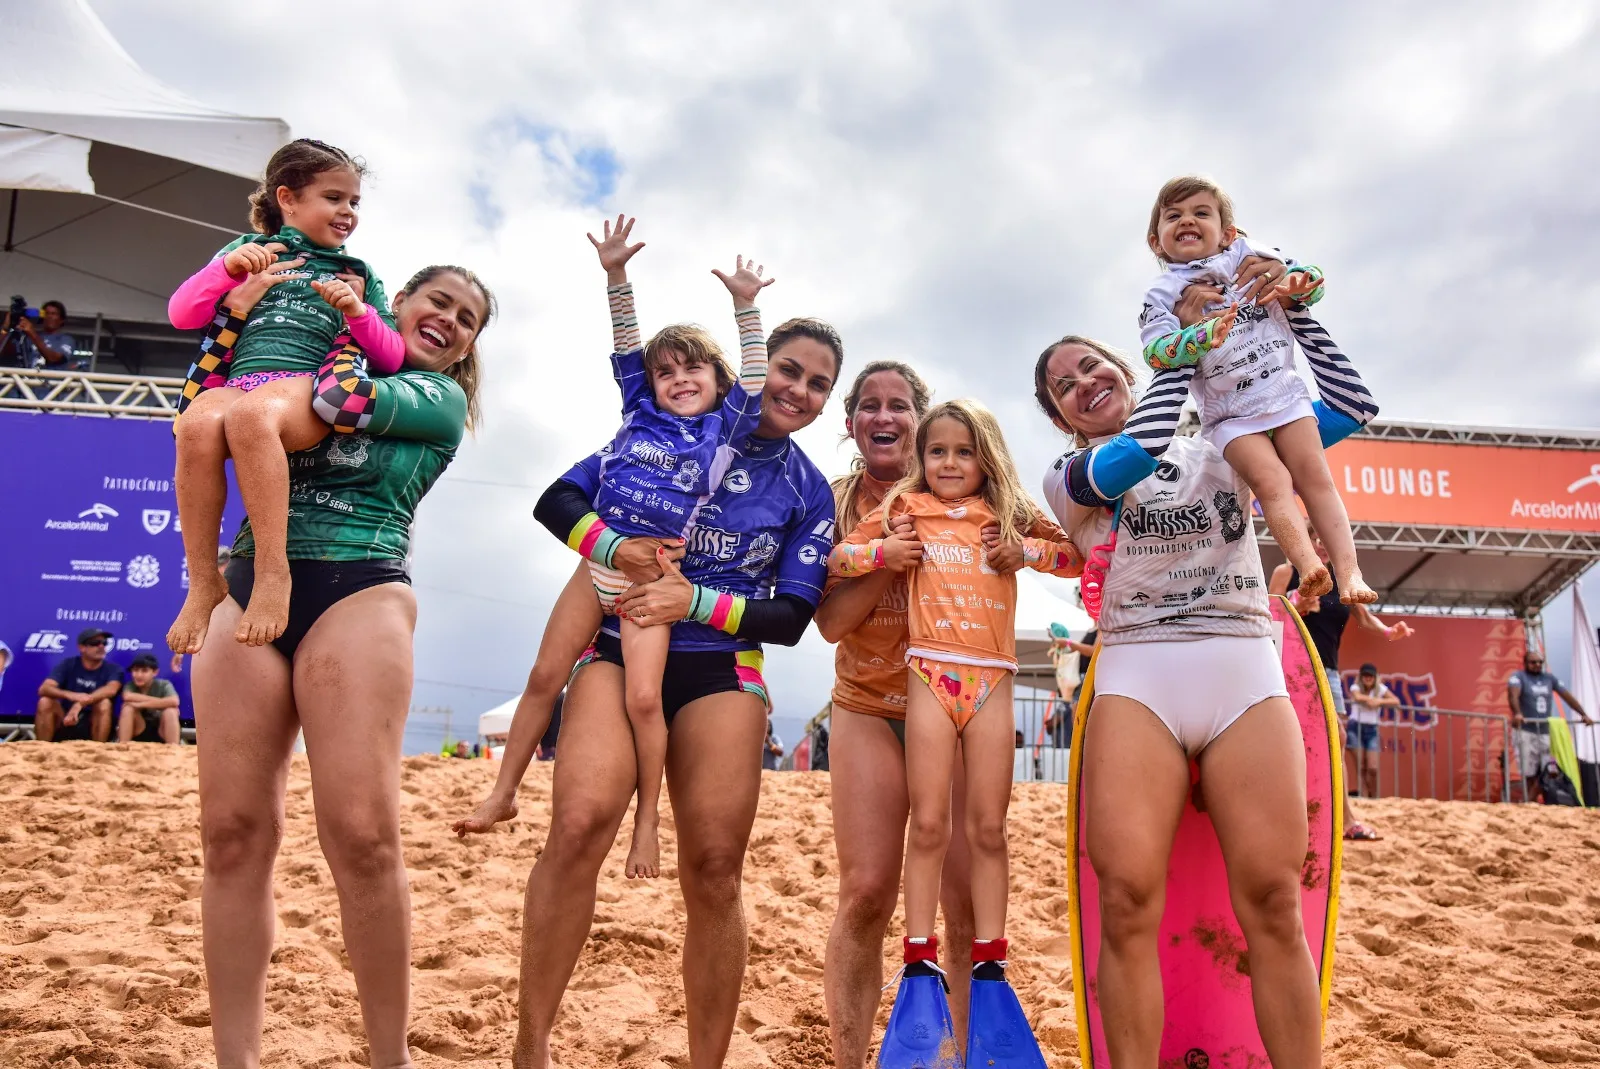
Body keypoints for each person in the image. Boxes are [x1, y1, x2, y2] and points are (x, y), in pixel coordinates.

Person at [1036, 287, 1378, 1065]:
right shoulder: (1072, 474)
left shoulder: (1232, 437)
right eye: (1065, 385)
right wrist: (1183, 351)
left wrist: (1294, 308)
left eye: (1092, 364)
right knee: (1123, 902)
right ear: (1060, 418)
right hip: (1137, 668)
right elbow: (1145, 443)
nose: (1084, 380)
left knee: (1272, 901)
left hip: (1240, 658)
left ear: (1122, 365)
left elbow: (1352, 406)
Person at [498, 315, 842, 1069]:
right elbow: (560, 501)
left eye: (819, 384)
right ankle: (532, 1043)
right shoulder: (662, 431)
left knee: (716, 867)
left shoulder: (809, 490)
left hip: (722, 666)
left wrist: (691, 602)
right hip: (618, 649)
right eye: (788, 369)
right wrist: (614, 547)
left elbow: (792, 617)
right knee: (582, 822)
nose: (798, 390)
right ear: (751, 372)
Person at [188, 259, 494, 1068]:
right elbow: (208, 402)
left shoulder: (440, 399)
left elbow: (335, 403)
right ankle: (234, 1059)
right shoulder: (324, 347)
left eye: (467, 319)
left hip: (359, 589)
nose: (451, 319)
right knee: (230, 833)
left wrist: (347, 328)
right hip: (249, 584)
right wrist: (246, 306)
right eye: (439, 300)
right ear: (403, 299)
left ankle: (388, 1056)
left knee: (360, 834)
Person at [831, 398, 1081, 1001]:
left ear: (986, 456)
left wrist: (1026, 552)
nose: (949, 462)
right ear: (921, 456)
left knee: (989, 827)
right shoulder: (906, 507)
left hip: (992, 677)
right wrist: (882, 555)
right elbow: (838, 559)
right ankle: (920, 954)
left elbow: (1073, 557)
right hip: (928, 675)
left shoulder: (1008, 512)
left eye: (964, 451)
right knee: (931, 823)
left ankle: (992, 958)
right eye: (937, 450)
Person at [557, 214, 774, 880]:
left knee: (643, 700)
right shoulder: (638, 410)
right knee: (546, 675)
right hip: (608, 565)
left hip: (660, 588)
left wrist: (746, 309)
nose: (679, 378)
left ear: (717, 377)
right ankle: (507, 786)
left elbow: (759, 378)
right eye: (666, 371)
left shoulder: (727, 427)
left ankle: (647, 819)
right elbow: (626, 346)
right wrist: (617, 278)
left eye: (694, 368)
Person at [167, 138, 408, 655]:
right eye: (334, 197)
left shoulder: (358, 275)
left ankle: (274, 574)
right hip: (237, 383)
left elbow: (389, 358)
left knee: (254, 417)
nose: (347, 212)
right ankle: (205, 578)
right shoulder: (244, 252)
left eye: (354, 202)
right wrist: (227, 272)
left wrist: (357, 312)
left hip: (304, 391)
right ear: (288, 199)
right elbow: (182, 314)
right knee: (196, 423)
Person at [812, 359, 979, 1066]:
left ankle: (966, 1052)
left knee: (965, 906)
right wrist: (888, 554)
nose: (885, 417)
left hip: (958, 706)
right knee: (867, 893)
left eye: (900, 405)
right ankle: (851, 1058)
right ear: (851, 422)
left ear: (922, 417)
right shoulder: (829, 502)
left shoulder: (970, 488)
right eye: (870, 406)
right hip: (866, 706)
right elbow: (830, 623)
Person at [1139, 174, 1375, 606]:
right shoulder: (1162, 293)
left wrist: (1299, 280)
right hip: (1229, 415)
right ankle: (1309, 567)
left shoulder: (1253, 255)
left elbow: (1310, 281)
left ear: (1227, 232)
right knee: (1272, 482)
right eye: (1174, 216)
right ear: (1157, 241)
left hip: (1283, 393)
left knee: (1316, 478)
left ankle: (1350, 572)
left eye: (1200, 212)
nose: (1187, 220)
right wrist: (1196, 336)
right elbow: (1155, 353)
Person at [1268, 519, 1413, 841]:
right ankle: (1292, 816)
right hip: (1291, 667)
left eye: (1324, 539)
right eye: (1314, 538)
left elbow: (1363, 616)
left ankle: (1344, 820)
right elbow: (1270, 618)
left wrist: (1390, 631)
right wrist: (1297, 603)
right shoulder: (1286, 572)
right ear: (1304, 541)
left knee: (1337, 739)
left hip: (1329, 672)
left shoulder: (1340, 578)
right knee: (1289, 742)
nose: (1320, 543)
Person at [1509, 650, 1594, 801]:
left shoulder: (1549, 678)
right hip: (1526, 731)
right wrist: (1517, 713)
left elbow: (1567, 696)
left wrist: (1583, 714)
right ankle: (1529, 802)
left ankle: (1531, 801)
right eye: (1533, 662)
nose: (1537, 665)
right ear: (1525, 663)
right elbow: (1513, 695)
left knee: (1547, 769)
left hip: (1545, 732)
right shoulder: (1518, 677)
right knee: (1529, 771)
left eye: (1540, 662)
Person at [35, 628, 123, 742]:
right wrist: (71, 695)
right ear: (81, 647)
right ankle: (42, 749)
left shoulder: (114, 669)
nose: (101, 646)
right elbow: (44, 688)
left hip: (93, 723)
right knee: (45, 702)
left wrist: (80, 703)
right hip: (66, 720)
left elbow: (111, 690)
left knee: (104, 703)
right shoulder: (68, 664)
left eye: (104, 643)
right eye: (95, 643)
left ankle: (98, 751)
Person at [1344, 663, 1399, 799]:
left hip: (1372, 729)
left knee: (1372, 767)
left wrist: (1378, 702)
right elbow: (1357, 696)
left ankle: (1374, 797)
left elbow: (1395, 701)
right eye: (1365, 675)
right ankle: (1363, 797)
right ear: (1361, 677)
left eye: (1371, 676)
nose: (1368, 678)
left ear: (1375, 678)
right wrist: (1373, 700)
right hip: (1355, 727)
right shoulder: (1356, 687)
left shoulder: (1380, 689)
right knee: (1361, 767)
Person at [117, 652, 181, 745]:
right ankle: (123, 745)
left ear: (155, 672)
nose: (139, 675)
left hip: (162, 731)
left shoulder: (164, 684)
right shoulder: (130, 685)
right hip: (139, 729)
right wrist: (162, 703)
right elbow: (127, 696)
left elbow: (174, 701)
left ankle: (173, 749)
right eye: (135, 670)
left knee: (171, 711)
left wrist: (140, 704)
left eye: (144, 671)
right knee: (127, 708)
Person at [10, 300, 79, 368]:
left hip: (52, 379)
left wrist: (32, 333)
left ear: (61, 320)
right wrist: (6, 328)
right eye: (46, 313)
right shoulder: (27, 337)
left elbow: (53, 359)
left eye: (53, 314)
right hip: (27, 378)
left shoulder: (67, 339)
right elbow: (7, 352)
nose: (49, 316)